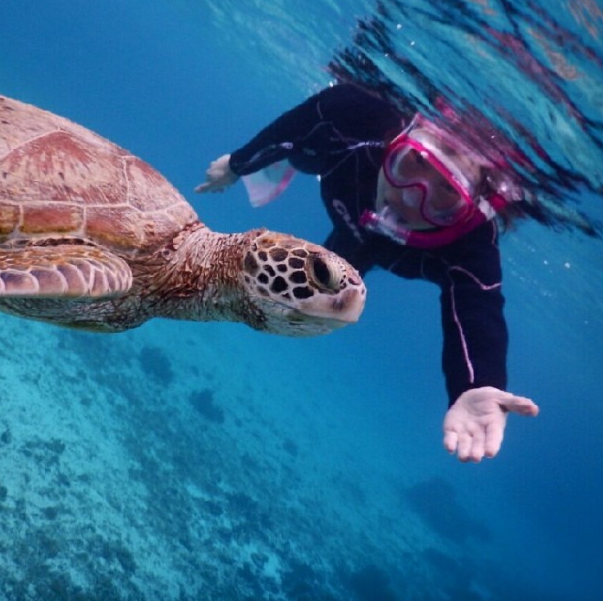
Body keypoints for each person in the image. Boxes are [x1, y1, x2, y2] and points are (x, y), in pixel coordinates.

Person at [196, 83, 539, 463]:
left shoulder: (470, 242)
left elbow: (478, 308)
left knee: (335, 280)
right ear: (398, 142)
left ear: (470, 207)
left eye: (444, 191)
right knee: (308, 152)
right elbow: (309, 116)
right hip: (345, 182)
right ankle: (290, 167)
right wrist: (239, 164)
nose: (409, 196)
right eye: (413, 163)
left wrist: (477, 384)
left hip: (375, 240)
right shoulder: (357, 124)